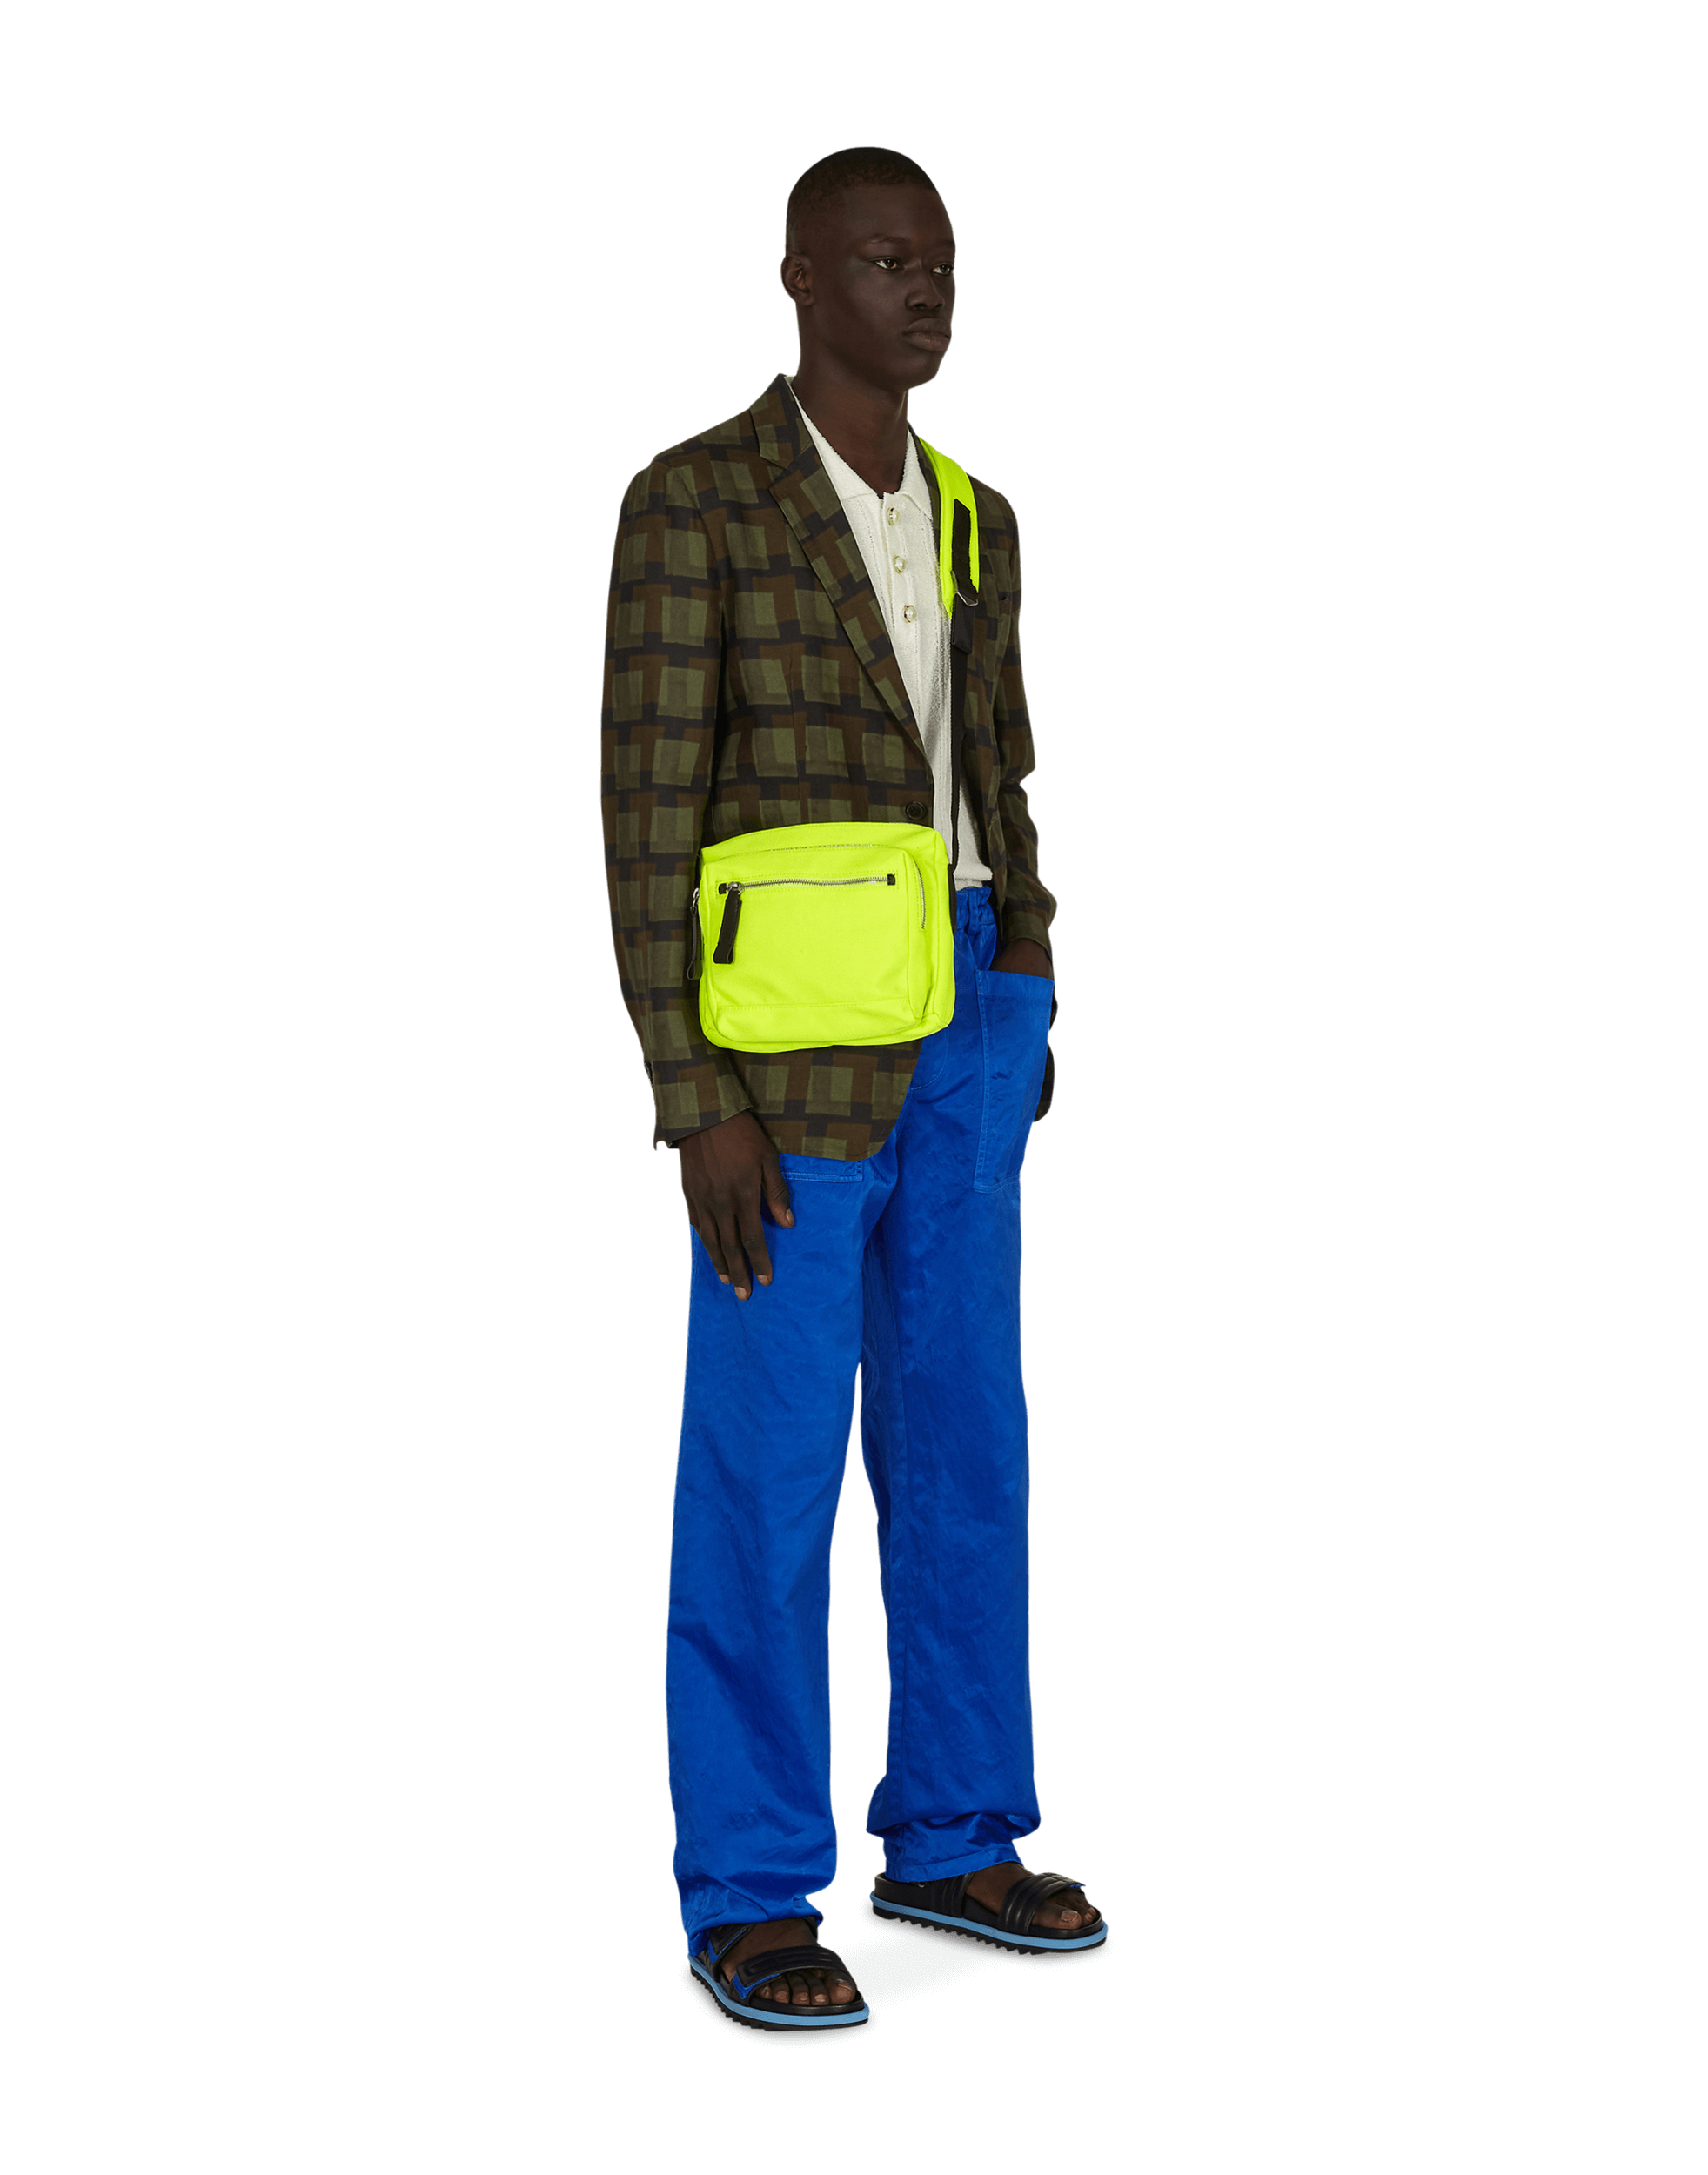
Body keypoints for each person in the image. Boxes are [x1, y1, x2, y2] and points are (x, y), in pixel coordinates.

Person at [601, 145, 1101, 2037]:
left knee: (970, 1444)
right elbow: (646, 809)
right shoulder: (697, 496)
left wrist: (1027, 959)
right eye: (886, 260)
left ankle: (955, 1832)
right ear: (801, 280)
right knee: (769, 1463)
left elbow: (1006, 769)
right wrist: (691, 1094)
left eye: (942, 261)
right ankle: (745, 1887)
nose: (926, 289)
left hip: (971, 1019)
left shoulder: (979, 513)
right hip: (786, 1057)